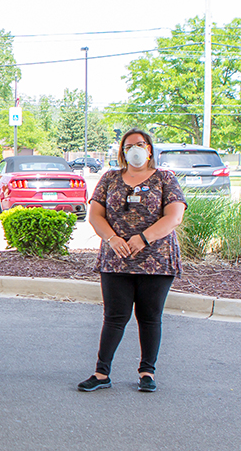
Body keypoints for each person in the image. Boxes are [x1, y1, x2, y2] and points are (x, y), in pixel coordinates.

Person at [78, 128, 186, 393]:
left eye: (140, 144)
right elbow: (95, 215)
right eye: (129, 146)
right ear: (122, 151)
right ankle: (101, 373)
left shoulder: (165, 178)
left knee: (149, 317)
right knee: (114, 316)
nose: (135, 149)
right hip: (116, 260)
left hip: (156, 260)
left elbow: (174, 216)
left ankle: (147, 372)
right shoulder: (110, 178)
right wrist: (113, 239)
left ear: (149, 148)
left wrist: (143, 239)